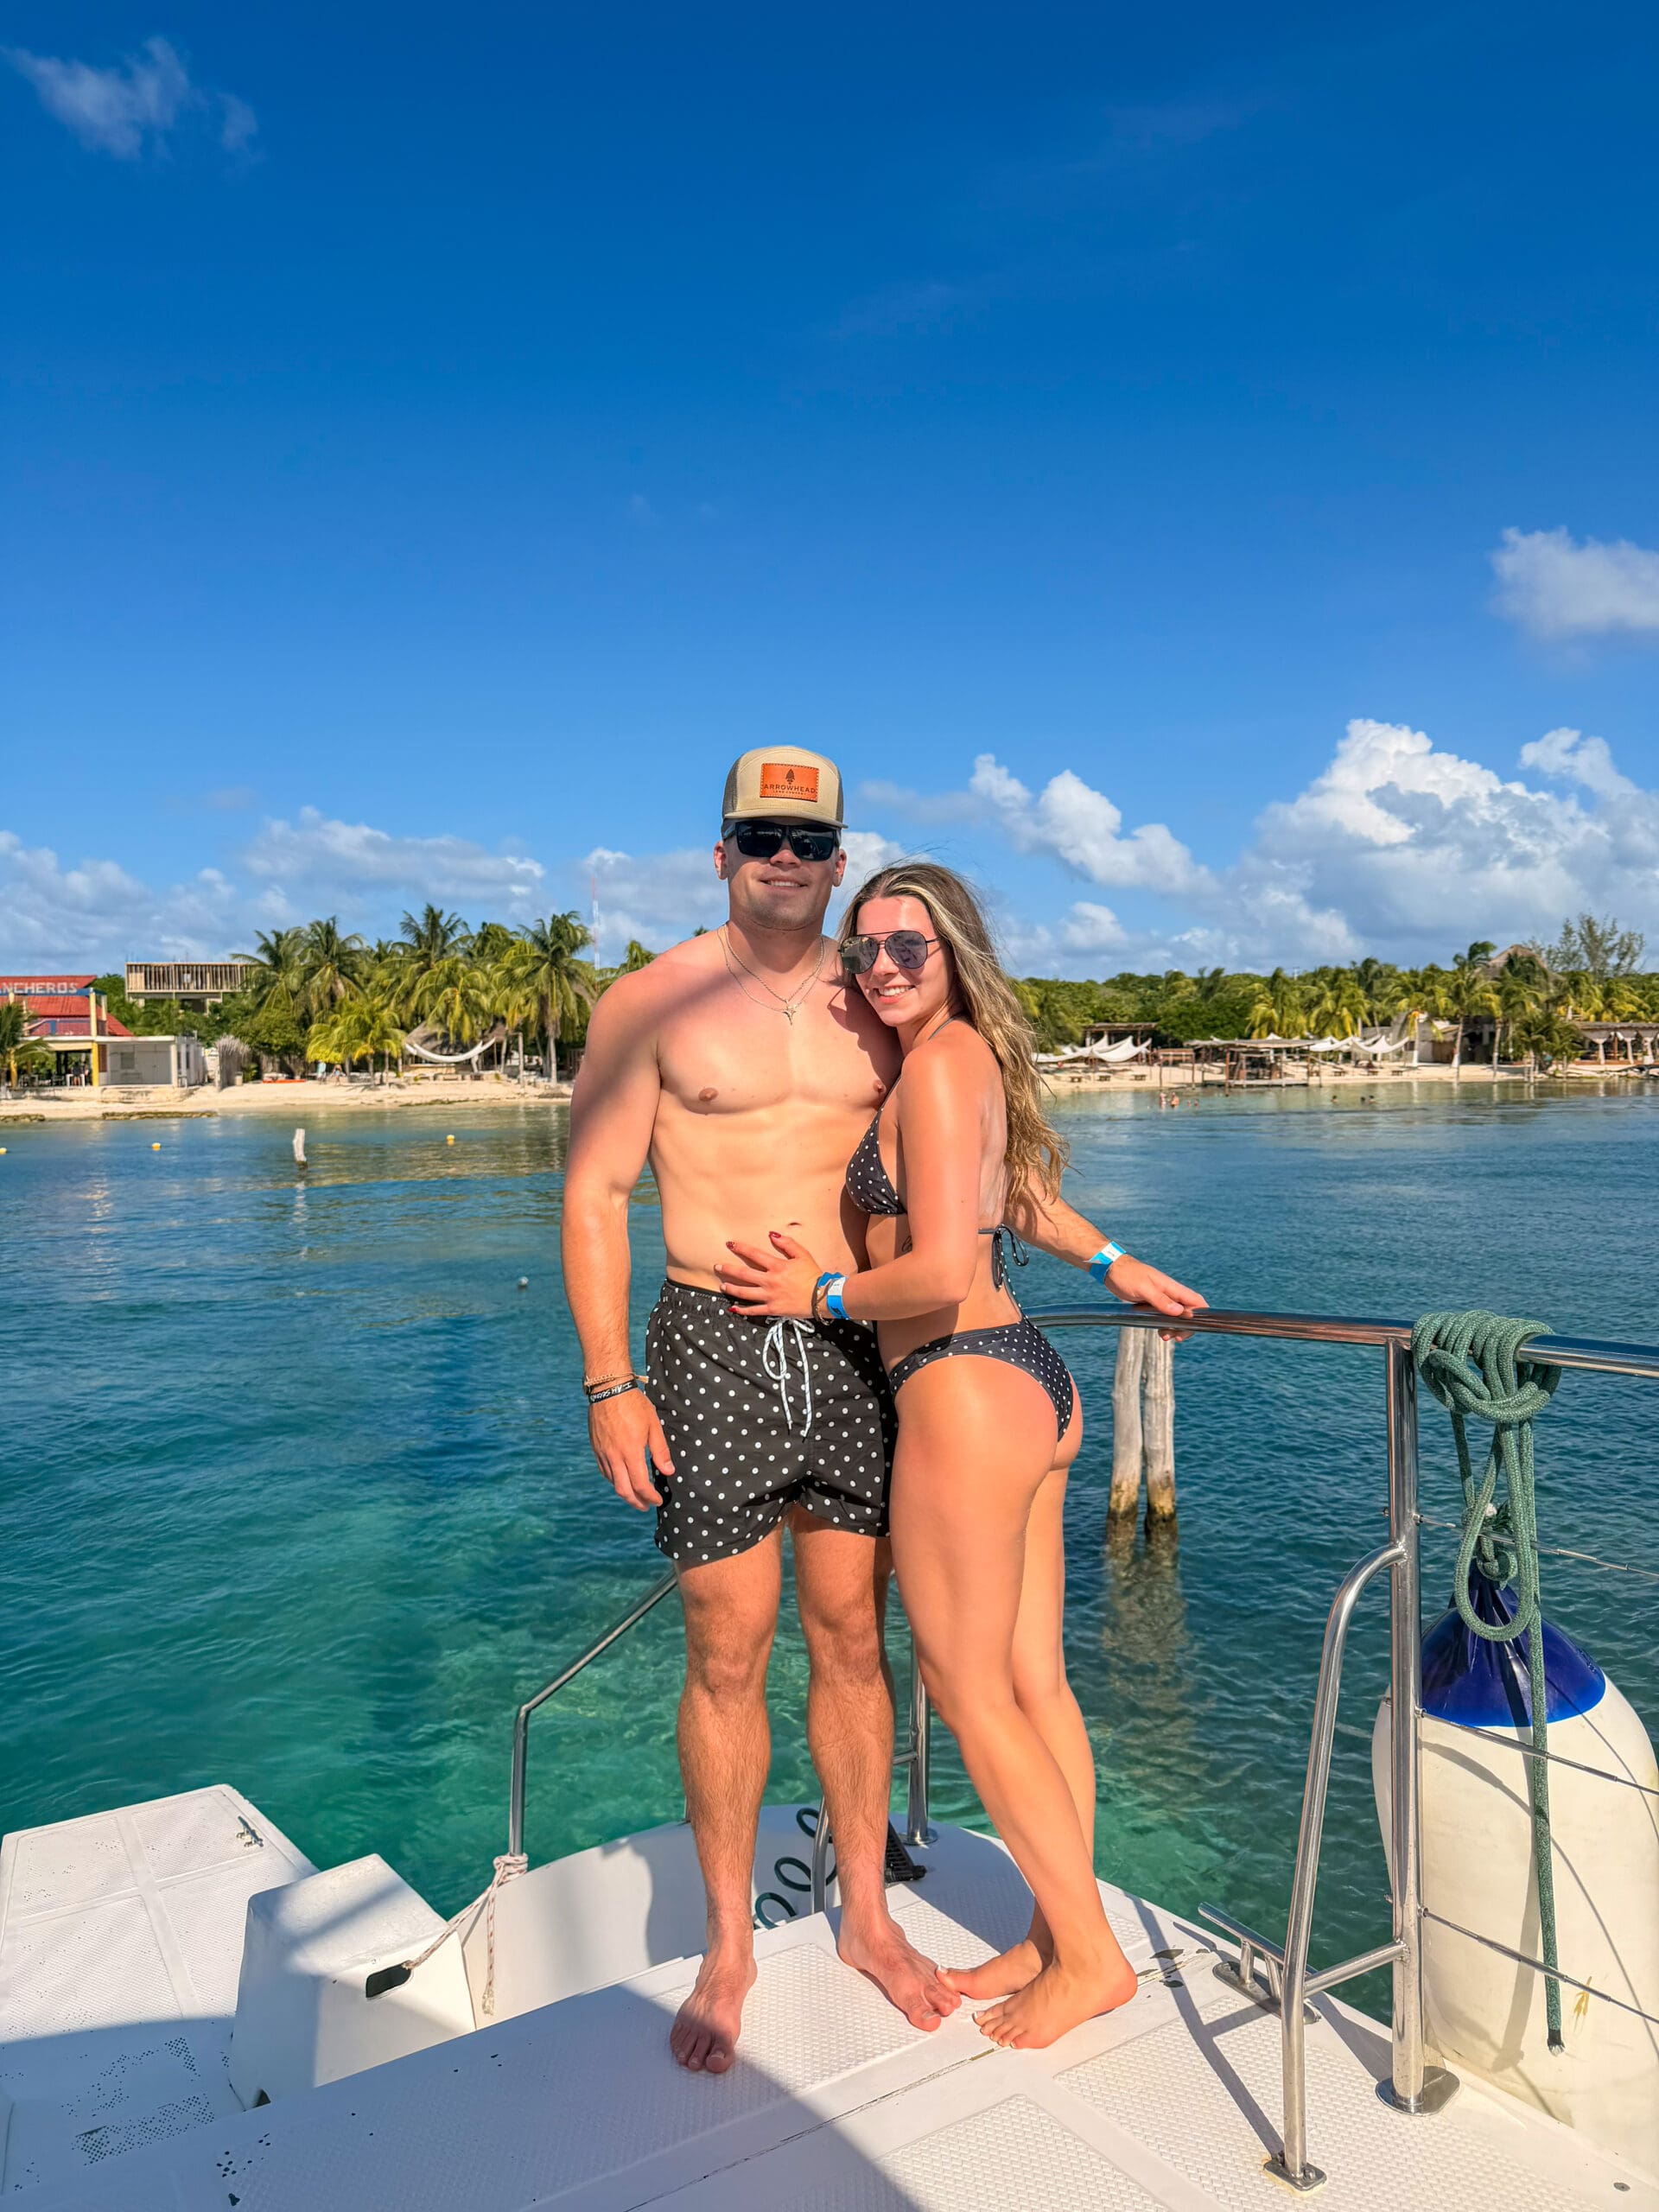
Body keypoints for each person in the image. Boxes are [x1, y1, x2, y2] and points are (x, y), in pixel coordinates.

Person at [563, 755, 1196, 2074]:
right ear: (723, 849)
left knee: (855, 1637)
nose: (783, 858)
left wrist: (1100, 1257)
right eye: (758, 835)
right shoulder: (653, 1000)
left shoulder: (888, 1015)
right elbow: (591, 1196)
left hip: (868, 1351)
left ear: (839, 858)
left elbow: (980, 1180)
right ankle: (732, 1945)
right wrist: (610, 1382)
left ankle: (866, 1915)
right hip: (719, 1344)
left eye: (808, 839)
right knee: (728, 1649)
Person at [718, 861, 1206, 2050]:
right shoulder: (963, 1062)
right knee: (1033, 1678)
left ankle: (1090, 1961)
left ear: (957, 955)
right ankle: (1058, 1927)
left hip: (957, 1391)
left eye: (907, 948)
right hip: (1027, 1384)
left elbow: (937, 1268)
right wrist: (1113, 1264)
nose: (881, 966)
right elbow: (1015, 1198)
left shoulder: (937, 1068)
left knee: (967, 1684)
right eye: (864, 950)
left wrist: (818, 1289)